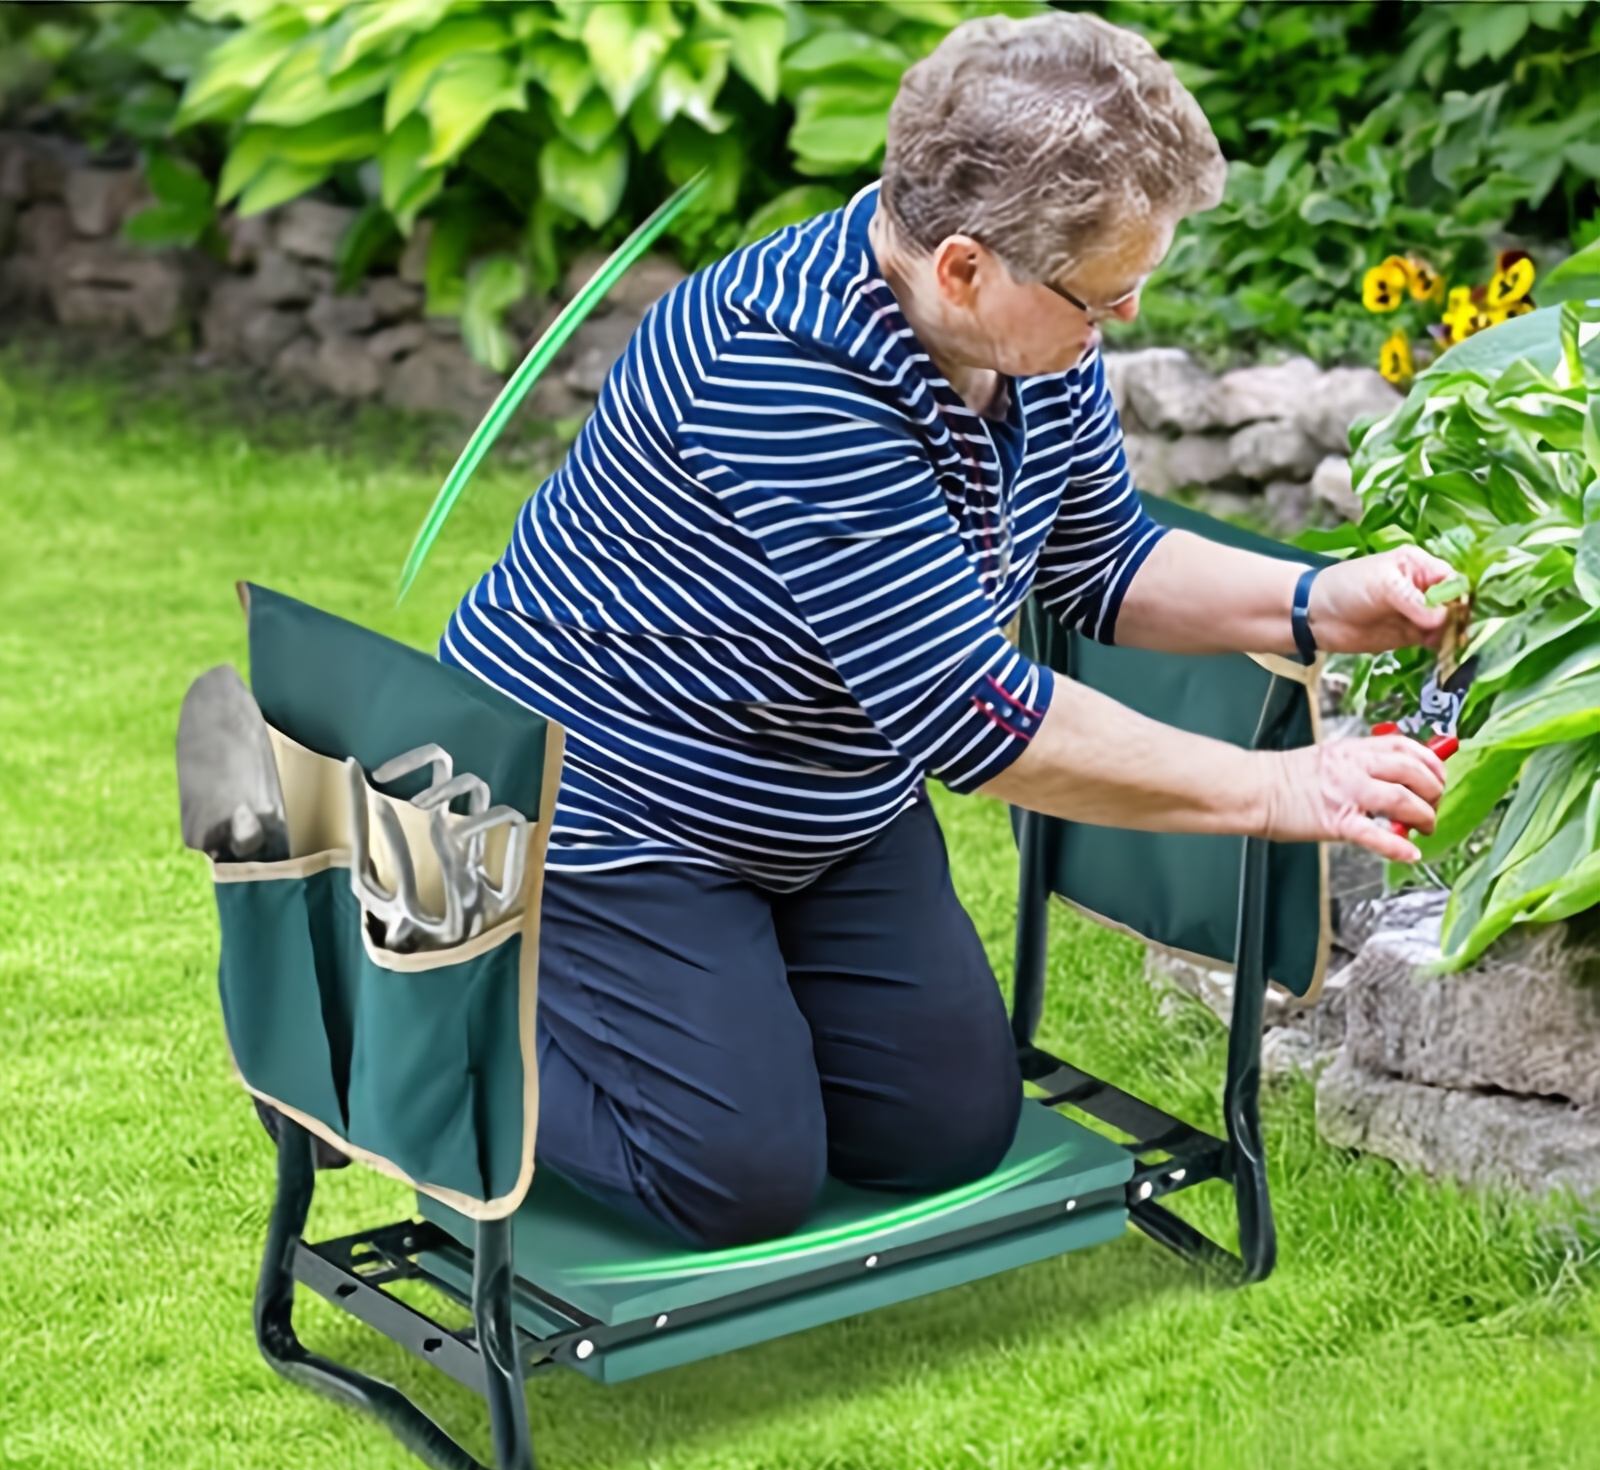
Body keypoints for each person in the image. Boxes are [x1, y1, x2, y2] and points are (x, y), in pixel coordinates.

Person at [443, 10, 1452, 1249]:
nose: (1125, 316)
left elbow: (1101, 560)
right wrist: (1276, 785)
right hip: (605, 799)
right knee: (729, 1179)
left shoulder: (1030, 333)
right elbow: (979, 717)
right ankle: (447, 1015)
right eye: (1107, 292)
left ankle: (723, 1001)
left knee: (943, 1132)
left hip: (818, 791)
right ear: (966, 266)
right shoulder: (777, 372)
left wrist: (1313, 603)